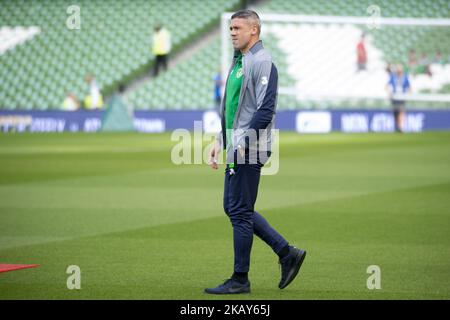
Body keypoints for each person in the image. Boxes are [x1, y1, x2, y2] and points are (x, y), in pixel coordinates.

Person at [205, 9, 306, 295]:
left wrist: (242, 143)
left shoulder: (263, 62)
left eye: (238, 28)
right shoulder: (239, 62)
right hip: (236, 144)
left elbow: (266, 109)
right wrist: (219, 140)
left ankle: (240, 279)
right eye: (231, 28)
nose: (233, 32)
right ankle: (287, 253)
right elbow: (231, 107)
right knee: (236, 207)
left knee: (238, 210)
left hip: (249, 147)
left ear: (254, 30)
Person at [386, 64, 411, 133]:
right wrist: (389, 92)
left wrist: (407, 94)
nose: (399, 71)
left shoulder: (405, 77)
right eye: (398, 70)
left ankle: (400, 127)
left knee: (401, 111)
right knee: (395, 113)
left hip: (402, 97)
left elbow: (409, 87)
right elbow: (387, 86)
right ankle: (398, 127)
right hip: (394, 97)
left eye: (400, 70)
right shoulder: (393, 77)